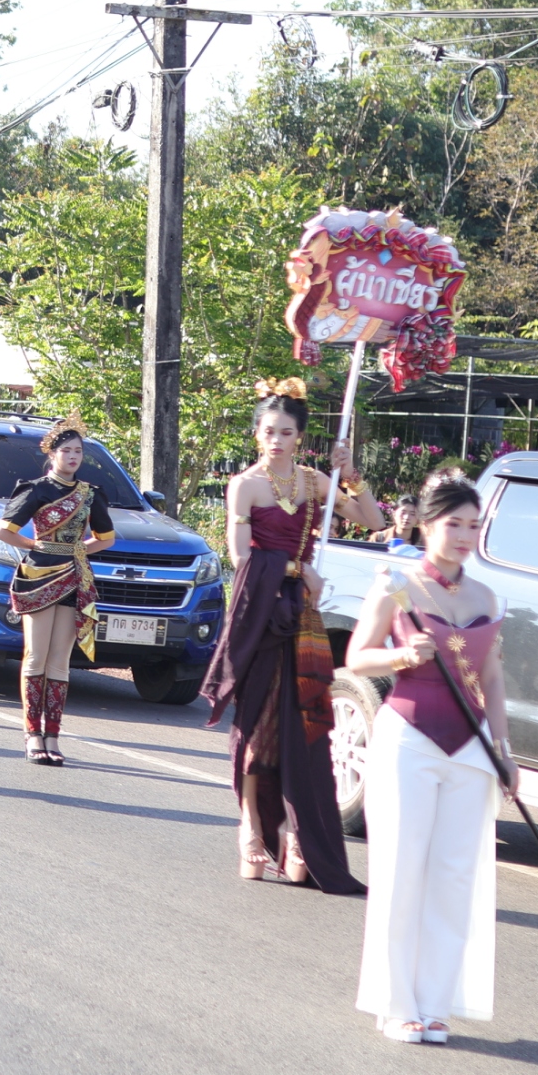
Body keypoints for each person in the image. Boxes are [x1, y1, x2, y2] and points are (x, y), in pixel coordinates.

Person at [345, 473, 510, 1045]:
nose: (464, 535)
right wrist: (400, 655)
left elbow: (492, 677)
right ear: (426, 524)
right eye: (453, 524)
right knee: (401, 871)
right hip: (409, 739)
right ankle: (396, 1004)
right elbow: (357, 657)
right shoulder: (397, 585)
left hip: (472, 748)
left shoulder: (486, 597)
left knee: (455, 875)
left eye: (473, 525)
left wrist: (504, 751)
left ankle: (436, 1003)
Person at [203, 378, 385, 893]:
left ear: (300, 437)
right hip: (260, 615)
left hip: (303, 619)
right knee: (257, 727)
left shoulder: (314, 483)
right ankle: (251, 827)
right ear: (256, 434)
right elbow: (242, 557)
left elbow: (374, 520)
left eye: (286, 432)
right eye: (268, 431)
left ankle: (297, 832)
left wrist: (351, 475)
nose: (276, 440)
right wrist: (297, 568)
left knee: (304, 730)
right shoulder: (245, 485)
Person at [0, 414, 117, 764]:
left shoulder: (91, 494)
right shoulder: (36, 489)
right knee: (36, 654)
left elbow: (106, 538)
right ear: (52, 454)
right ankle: (32, 733)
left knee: (60, 659)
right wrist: (35, 546)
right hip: (38, 575)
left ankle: (53, 735)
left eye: (78, 451)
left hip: (74, 576)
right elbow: (4, 532)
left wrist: (77, 550)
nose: (73, 456)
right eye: (66, 451)